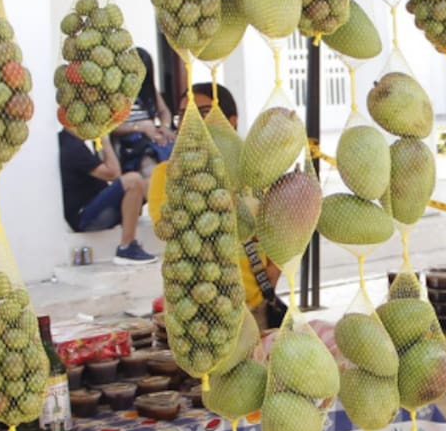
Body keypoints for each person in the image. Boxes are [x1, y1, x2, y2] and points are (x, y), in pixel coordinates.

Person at [148, 83, 285, 331]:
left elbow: (278, 232)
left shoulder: (255, 175)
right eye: (183, 115)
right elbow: (168, 229)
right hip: (196, 313)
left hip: (253, 308)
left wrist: (272, 274)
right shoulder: (167, 175)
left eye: (203, 112)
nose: (191, 121)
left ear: (231, 120)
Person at [58, 130, 157, 265]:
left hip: (96, 206)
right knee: (133, 180)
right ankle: (126, 248)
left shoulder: (82, 141)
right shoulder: (72, 146)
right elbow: (113, 173)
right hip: (84, 217)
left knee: (149, 182)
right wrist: (105, 140)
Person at [112, 47, 175, 178]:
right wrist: (139, 127)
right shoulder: (115, 94)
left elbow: (164, 112)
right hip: (131, 143)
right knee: (150, 164)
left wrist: (165, 126)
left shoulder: (148, 90)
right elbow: (110, 128)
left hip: (152, 136)